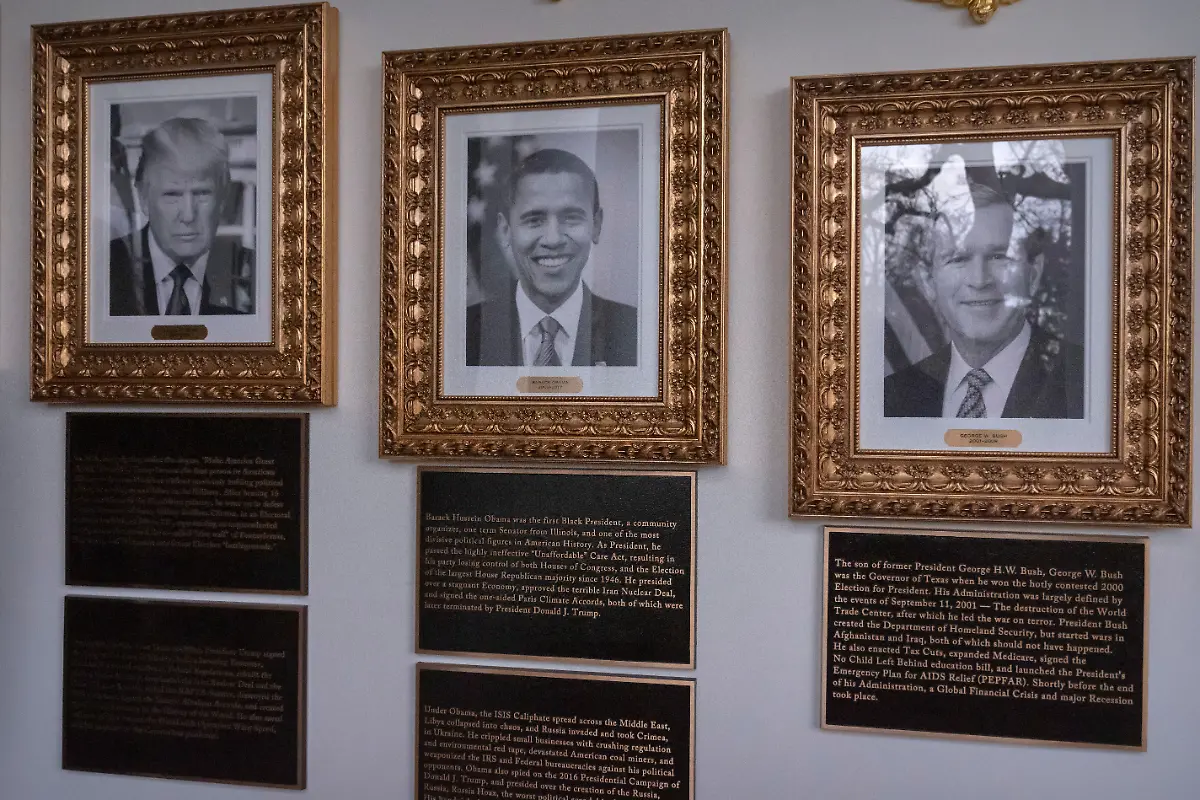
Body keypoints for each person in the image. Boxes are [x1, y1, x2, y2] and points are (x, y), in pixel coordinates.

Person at [884, 176, 1084, 419]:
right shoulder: (894, 397)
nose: (979, 281)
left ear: (1033, 274)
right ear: (928, 282)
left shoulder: (1088, 382)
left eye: (999, 257)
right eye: (958, 259)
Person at [466, 147, 637, 366]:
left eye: (571, 218)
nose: (553, 239)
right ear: (506, 230)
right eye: (534, 220)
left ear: (596, 225)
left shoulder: (638, 332)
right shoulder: (461, 333)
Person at [109, 117, 252, 316]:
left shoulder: (256, 277)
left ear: (223, 198)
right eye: (172, 195)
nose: (188, 215)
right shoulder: (101, 271)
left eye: (202, 193)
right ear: (143, 198)